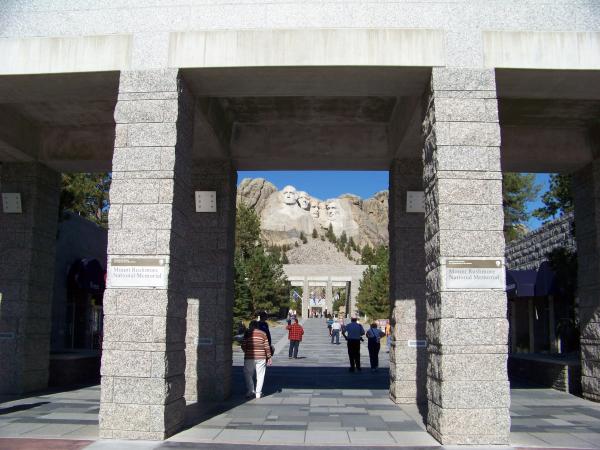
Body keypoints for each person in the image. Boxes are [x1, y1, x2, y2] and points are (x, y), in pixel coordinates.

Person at [241, 320, 272, 399]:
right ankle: (258, 393)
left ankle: (250, 390)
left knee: (248, 373)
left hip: (249, 357)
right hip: (261, 357)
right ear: (257, 326)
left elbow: (243, 345)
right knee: (260, 375)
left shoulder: (247, 333)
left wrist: (246, 351)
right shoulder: (263, 334)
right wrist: (269, 357)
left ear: (251, 326)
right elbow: (266, 346)